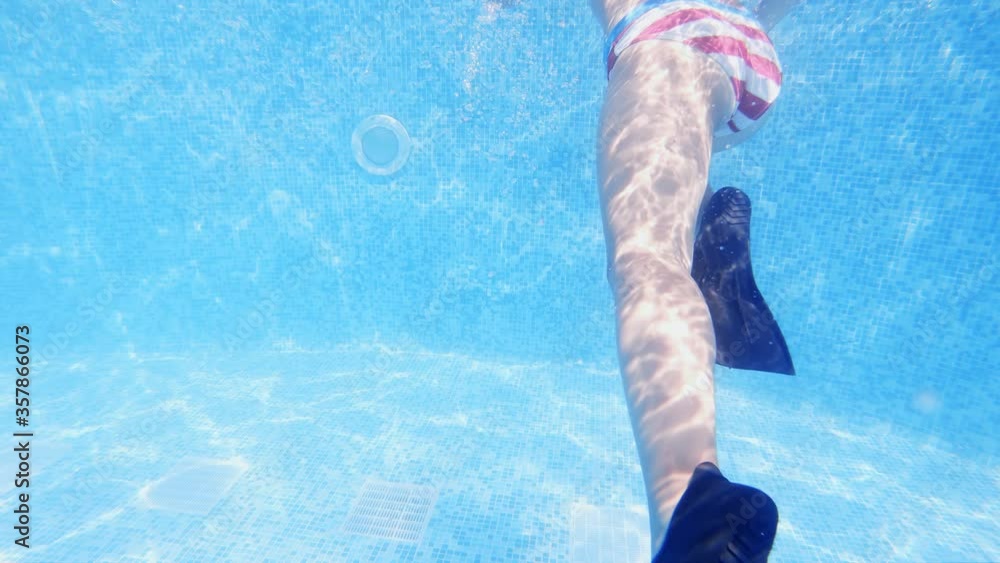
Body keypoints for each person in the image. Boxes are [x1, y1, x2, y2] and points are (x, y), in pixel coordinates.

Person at [589, 0, 802, 560]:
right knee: (669, 224)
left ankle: (689, 503)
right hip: (749, 59)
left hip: (666, 40)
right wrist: (753, 24)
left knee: (644, 256)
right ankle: (716, 260)